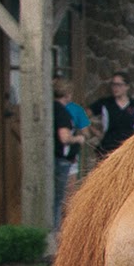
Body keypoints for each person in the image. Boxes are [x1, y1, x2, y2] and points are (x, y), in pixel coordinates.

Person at [52, 78, 83, 230]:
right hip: (61, 159)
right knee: (58, 198)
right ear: (67, 94)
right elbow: (64, 137)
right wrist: (78, 139)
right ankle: (55, 230)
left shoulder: (51, 109)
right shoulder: (62, 112)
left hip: (54, 159)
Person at [95, 73, 134, 159]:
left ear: (127, 86)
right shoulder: (106, 103)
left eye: (119, 85)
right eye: (113, 85)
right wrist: (95, 132)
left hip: (129, 147)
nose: (115, 88)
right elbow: (84, 114)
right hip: (108, 147)